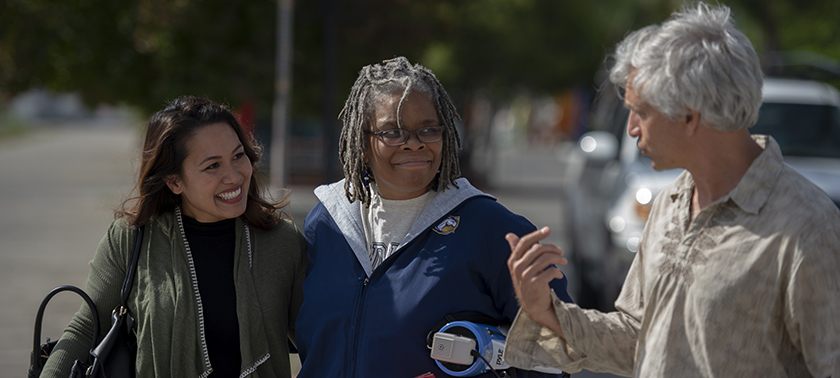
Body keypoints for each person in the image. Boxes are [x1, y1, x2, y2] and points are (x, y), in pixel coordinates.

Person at [503, 3, 840, 377]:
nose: (631, 128)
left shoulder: (808, 228)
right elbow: (639, 339)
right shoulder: (670, 203)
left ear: (689, 116)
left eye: (641, 111)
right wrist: (545, 311)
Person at [295, 56, 573, 378]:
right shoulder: (327, 223)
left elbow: (557, 358)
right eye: (393, 132)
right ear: (362, 142)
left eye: (428, 129)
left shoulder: (494, 230)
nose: (414, 144)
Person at [41, 96, 306, 378]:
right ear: (174, 181)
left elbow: (321, 338)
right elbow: (86, 328)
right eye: (212, 166)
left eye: (238, 156)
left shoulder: (282, 241)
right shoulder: (130, 239)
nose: (234, 176)